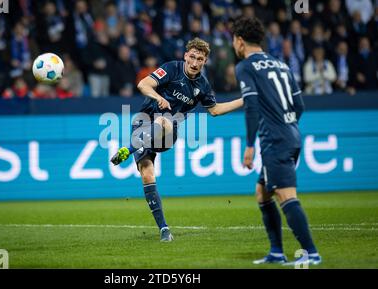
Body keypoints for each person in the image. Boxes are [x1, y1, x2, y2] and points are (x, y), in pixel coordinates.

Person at [110, 37, 243, 242]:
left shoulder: (203, 85)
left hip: (168, 131)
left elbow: (215, 110)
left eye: (200, 59)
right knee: (147, 173)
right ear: (185, 56)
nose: (195, 62)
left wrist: (244, 100)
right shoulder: (172, 69)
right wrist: (158, 97)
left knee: (165, 120)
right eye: (192, 57)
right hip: (143, 123)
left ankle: (127, 149)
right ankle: (164, 230)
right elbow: (143, 84)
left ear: (205, 61)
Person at [231, 16, 322, 265]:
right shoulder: (281, 64)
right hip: (291, 133)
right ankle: (276, 253)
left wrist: (250, 145)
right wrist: (288, 124)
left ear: (239, 41)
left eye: (233, 41)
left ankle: (312, 253)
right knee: (262, 193)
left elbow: (251, 107)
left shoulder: (245, 67)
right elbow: (299, 105)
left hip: (275, 139)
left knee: (286, 195)